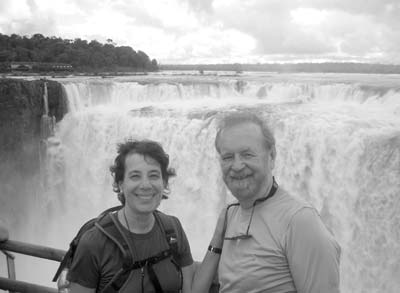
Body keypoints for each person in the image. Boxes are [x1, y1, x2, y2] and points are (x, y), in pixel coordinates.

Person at [193, 111, 341, 293]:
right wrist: (217, 239)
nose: (237, 166)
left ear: (271, 156)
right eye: (228, 157)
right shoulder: (231, 214)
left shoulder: (300, 221)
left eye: (247, 154)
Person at [67, 139, 195, 293]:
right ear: (120, 184)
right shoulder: (94, 243)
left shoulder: (173, 228)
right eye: (135, 176)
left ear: (164, 182)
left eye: (154, 175)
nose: (146, 185)